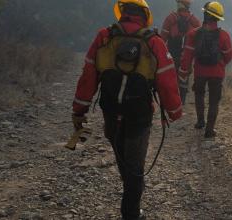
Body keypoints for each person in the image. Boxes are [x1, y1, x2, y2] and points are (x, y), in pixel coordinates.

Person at [71, 0, 182, 219]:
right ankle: (131, 211)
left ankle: (131, 192)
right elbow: (167, 80)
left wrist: (80, 108)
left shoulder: (104, 37)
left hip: (111, 112)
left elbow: (88, 76)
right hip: (139, 115)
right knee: (135, 166)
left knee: (123, 160)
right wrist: (174, 111)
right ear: (145, 15)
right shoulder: (154, 42)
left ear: (122, 12)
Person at [179, 1, 232, 138]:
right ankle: (209, 130)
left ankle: (200, 121)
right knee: (214, 101)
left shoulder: (193, 34)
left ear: (205, 14)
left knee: (199, 95)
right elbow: (229, 56)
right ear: (218, 18)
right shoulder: (224, 36)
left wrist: (184, 71)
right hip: (217, 73)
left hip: (200, 71)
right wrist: (220, 65)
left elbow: (187, 56)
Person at [160, 0, 201, 105]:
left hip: (172, 52)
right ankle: (181, 100)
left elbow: (163, 38)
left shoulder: (171, 18)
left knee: (171, 76)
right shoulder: (194, 20)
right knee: (184, 75)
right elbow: (199, 36)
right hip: (187, 53)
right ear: (188, 5)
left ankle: (171, 100)